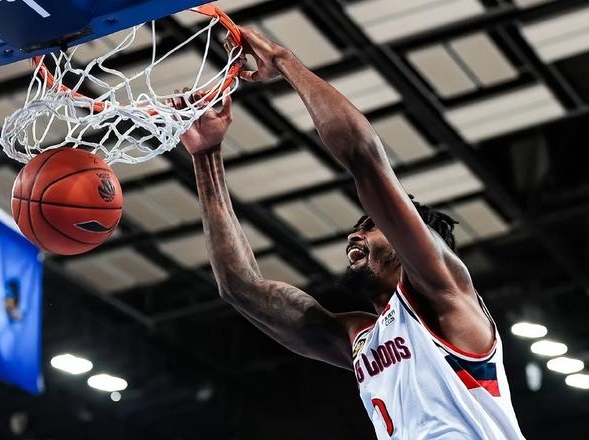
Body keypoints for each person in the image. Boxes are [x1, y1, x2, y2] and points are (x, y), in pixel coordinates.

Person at [177, 27, 525, 440]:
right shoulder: (360, 337)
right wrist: (206, 156)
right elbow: (241, 288)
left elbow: (363, 157)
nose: (352, 237)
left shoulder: (446, 292)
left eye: (370, 226)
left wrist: (285, 62)